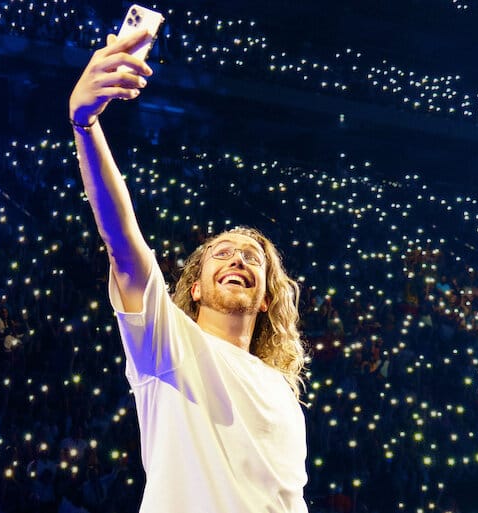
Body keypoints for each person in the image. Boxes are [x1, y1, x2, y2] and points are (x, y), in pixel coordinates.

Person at [68, 30, 309, 512]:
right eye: (222, 254)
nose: (239, 258)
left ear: (266, 298)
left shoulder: (281, 389)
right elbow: (124, 245)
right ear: (194, 288)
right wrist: (85, 125)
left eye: (252, 258)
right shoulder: (169, 345)